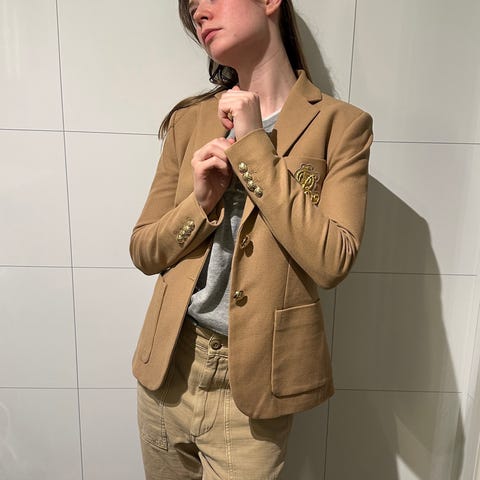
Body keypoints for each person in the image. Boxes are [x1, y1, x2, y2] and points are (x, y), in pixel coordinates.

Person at [130, 0, 373, 478]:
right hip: (168, 368)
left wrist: (254, 145)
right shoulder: (189, 120)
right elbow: (144, 250)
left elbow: (333, 261)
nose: (199, 13)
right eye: (191, 9)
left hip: (255, 387)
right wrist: (201, 203)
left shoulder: (341, 126)